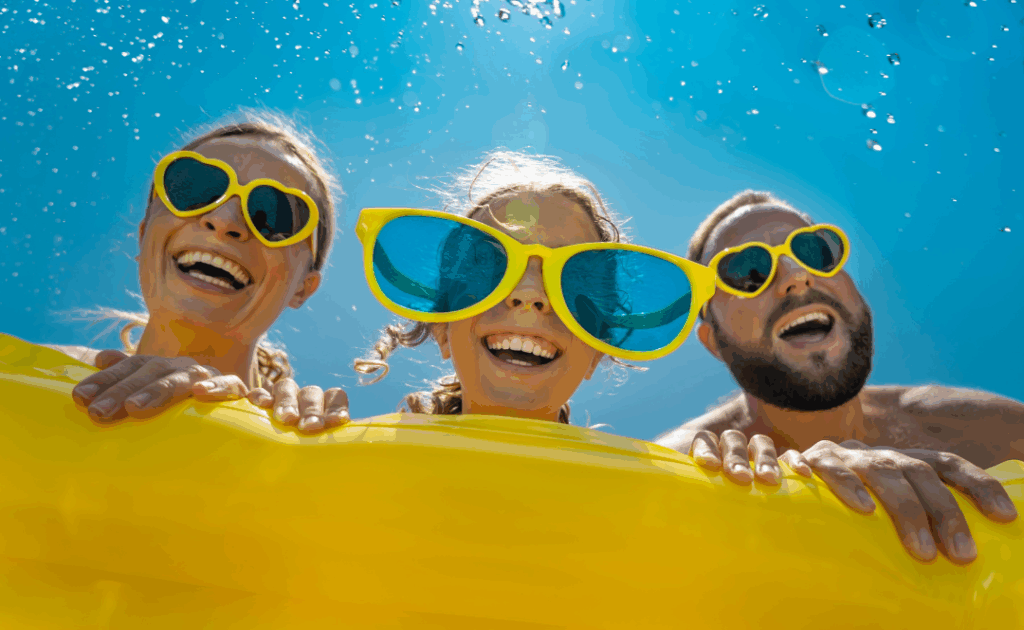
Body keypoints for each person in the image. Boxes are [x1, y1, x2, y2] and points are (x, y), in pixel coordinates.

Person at [656, 189, 1021, 563]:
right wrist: (798, 482)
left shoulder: (978, 425)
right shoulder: (686, 463)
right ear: (713, 340)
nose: (797, 277)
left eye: (815, 252)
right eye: (748, 271)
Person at [353, 151, 712, 423]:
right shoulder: (355, 468)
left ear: (596, 351)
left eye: (574, 281)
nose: (530, 294)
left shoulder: (643, 499)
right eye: (489, 269)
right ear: (442, 330)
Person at [56, 112, 349, 433]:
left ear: (303, 288)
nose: (224, 221)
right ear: (144, 235)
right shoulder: (25, 372)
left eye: (273, 214)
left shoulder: (302, 434)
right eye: (194, 188)